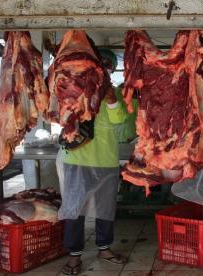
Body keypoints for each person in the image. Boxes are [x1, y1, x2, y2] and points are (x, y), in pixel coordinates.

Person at [59, 48, 128, 275]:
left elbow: (120, 118)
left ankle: (104, 248)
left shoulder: (112, 91)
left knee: (105, 208)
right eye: (103, 63)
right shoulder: (76, 88)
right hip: (78, 159)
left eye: (109, 65)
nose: (106, 68)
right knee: (74, 208)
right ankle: (74, 255)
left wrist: (110, 100)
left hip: (106, 160)